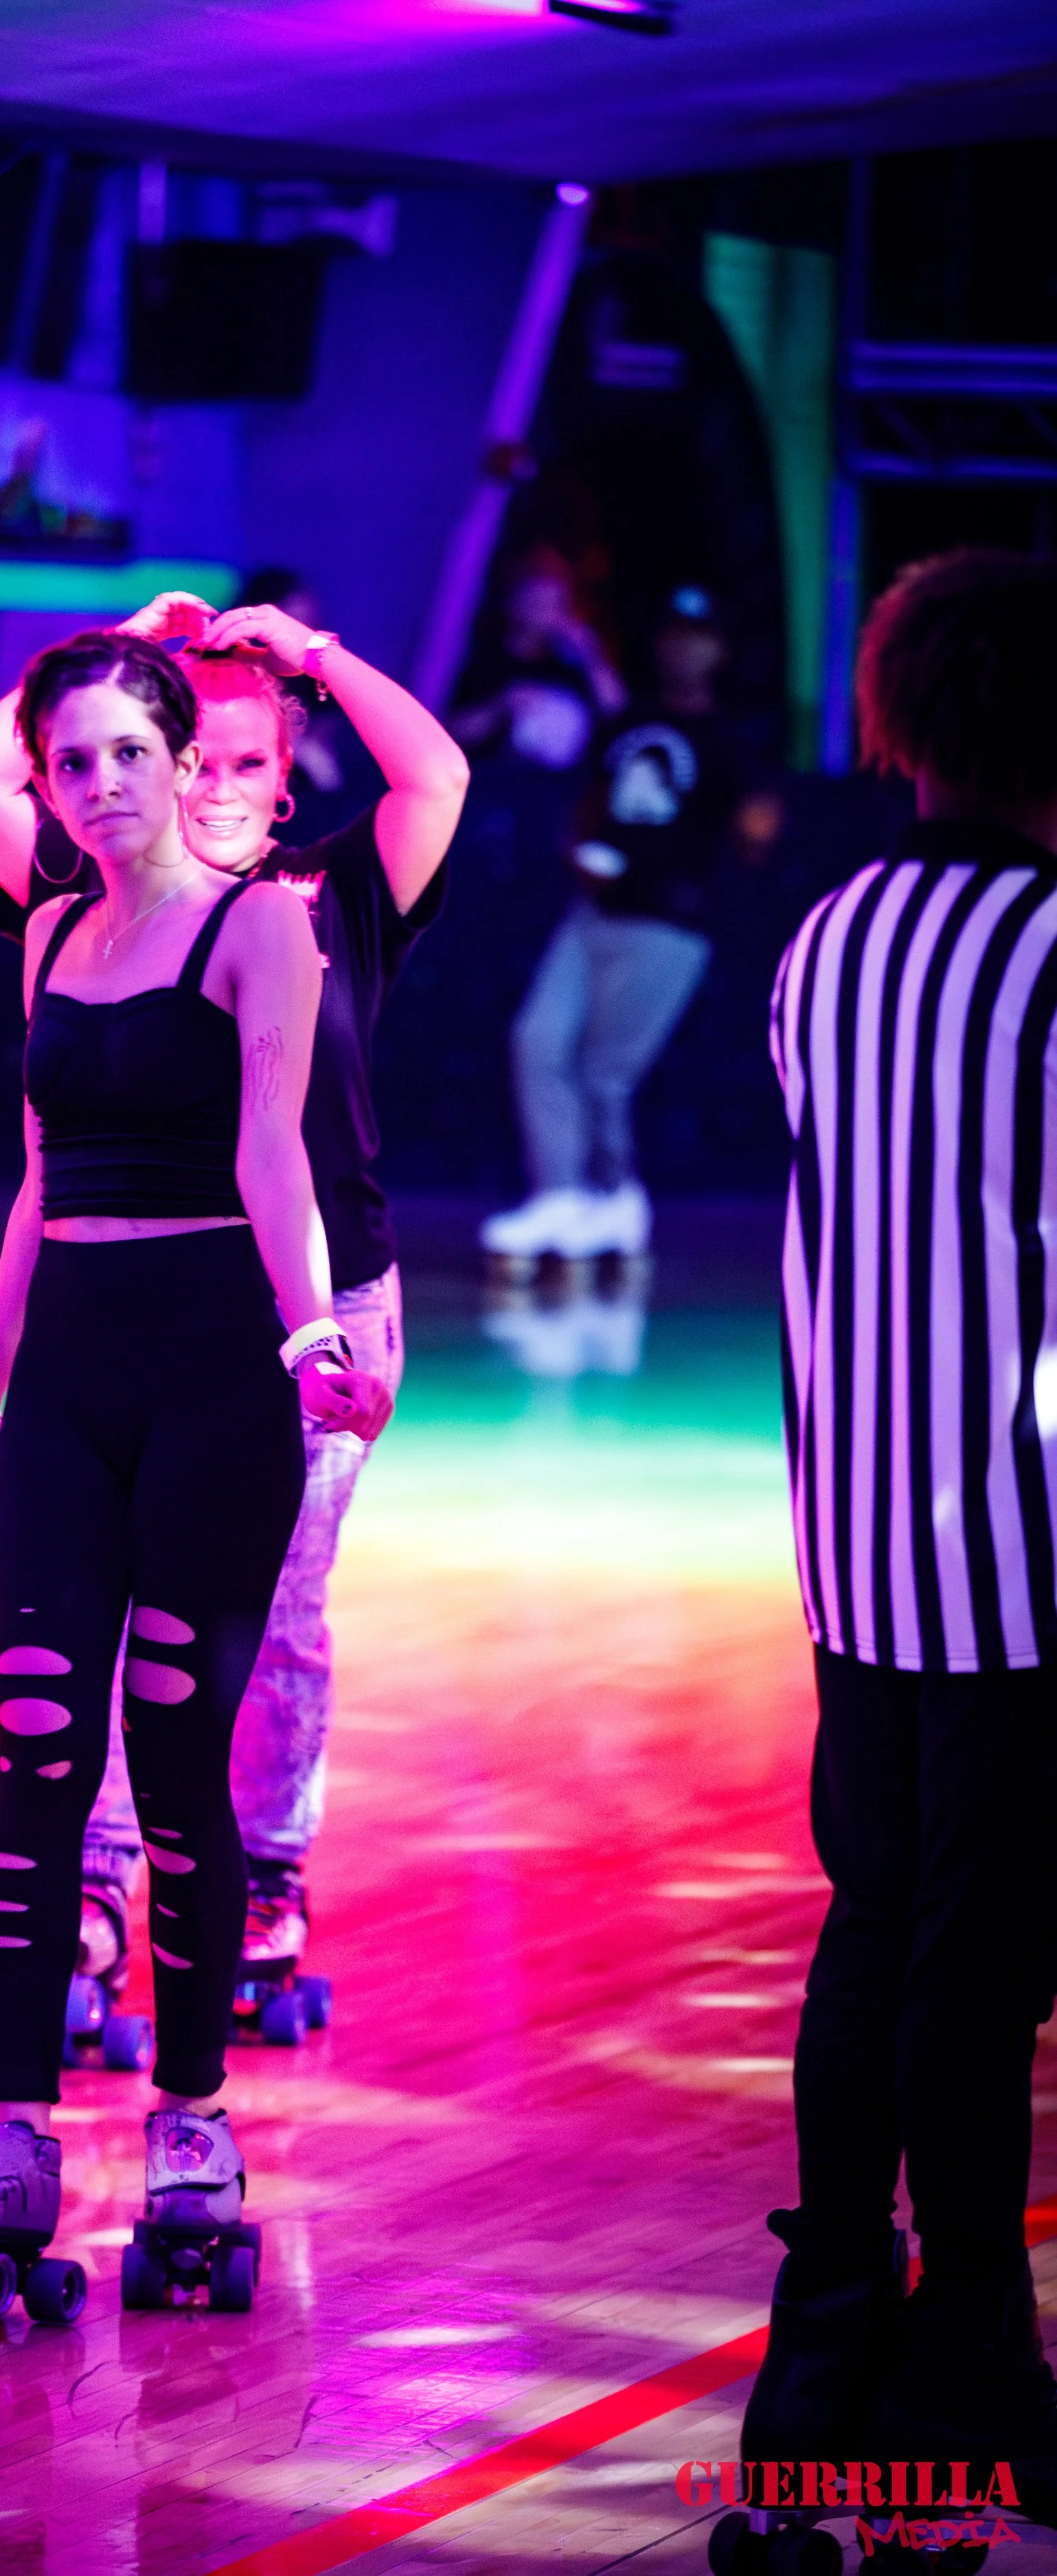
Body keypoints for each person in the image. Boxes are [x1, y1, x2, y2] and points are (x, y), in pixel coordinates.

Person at [0, 629, 394, 2270]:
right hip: (65, 1389)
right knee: (39, 1743)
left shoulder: (266, 927)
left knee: (176, 1759)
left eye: (128, 753)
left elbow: (274, 1148)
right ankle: (18, 2131)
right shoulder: (46, 933)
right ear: (42, 780)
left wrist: (312, 1331)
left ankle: (192, 2120)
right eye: (71, 761)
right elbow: (41, 1188)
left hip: (212, 1381)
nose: (99, 785)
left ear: (185, 762)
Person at [0, 593, 467, 2009]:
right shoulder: (93, 899)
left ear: (282, 787)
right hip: (134, 1301)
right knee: (117, 1610)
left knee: (275, 1610)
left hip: (320, 1299)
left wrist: (315, 653)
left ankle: (266, 1877)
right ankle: (106, 1892)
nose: (211, 786)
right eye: (193, 756)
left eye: (246, 766)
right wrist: (120, 643)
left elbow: (437, 778)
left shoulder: (326, 903)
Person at [738, 550, 1057, 2509]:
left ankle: (827, 2331)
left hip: (854, 1537)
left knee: (868, 1938)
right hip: (1024, 1547)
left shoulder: (822, 938)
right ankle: (968, 2358)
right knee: (981, 1962)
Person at [481, 585, 781, 1267]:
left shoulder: (730, 742)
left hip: (668, 923)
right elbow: (586, 801)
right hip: (592, 912)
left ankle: (613, 1197)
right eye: (673, 633)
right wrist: (579, 851)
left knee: (604, 1070)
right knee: (537, 1039)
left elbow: (759, 825)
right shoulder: (626, 723)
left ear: (719, 651)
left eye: (698, 636)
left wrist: (749, 835)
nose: (683, 647)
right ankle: (561, 1194)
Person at [448, 547, 626, 776]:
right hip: (490, 785)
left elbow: (618, 712)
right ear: (513, 602)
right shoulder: (484, 660)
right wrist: (501, 707)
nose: (545, 613)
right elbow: (449, 731)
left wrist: (592, 655)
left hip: (550, 797)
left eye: (555, 604)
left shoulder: (570, 667)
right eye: (536, 602)